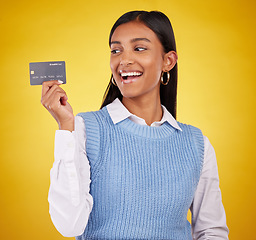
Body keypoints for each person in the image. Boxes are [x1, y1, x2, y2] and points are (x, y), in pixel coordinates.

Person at [41, 10, 229, 240]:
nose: (124, 60)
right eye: (116, 50)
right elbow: (69, 225)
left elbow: (211, 231)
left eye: (139, 48)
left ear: (168, 61)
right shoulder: (85, 129)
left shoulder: (196, 144)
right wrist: (65, 127)